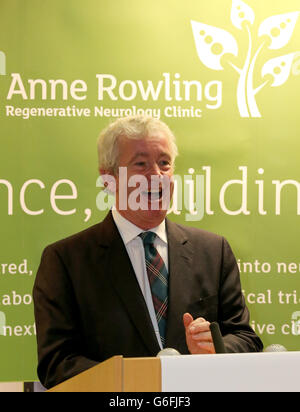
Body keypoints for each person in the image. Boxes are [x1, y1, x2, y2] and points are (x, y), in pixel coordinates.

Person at [33, 115, 263, 389]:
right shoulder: (66, 261)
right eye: (141, 164)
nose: (156, 175)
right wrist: (139, 381)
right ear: (109, 180)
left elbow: (246, 338)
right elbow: (57, 363)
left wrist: (215, 348)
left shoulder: (213, 251)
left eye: (164, 163)